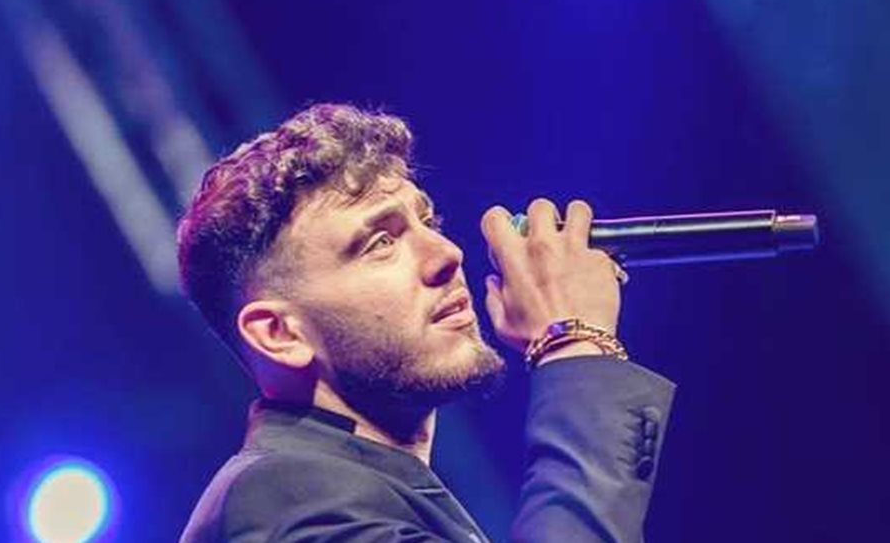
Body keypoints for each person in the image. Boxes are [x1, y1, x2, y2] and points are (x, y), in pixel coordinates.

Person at [177, 103, 675, 542]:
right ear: (279, 334)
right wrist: (573, 342)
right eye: (380, 243)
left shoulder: (355, 488)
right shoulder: (284, 502)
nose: (447, 254)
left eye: (428, 222)